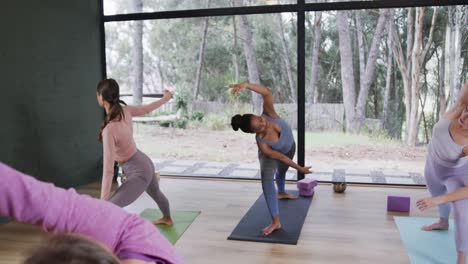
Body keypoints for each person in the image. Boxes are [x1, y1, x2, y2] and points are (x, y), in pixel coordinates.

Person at [0, 162, 181, 264]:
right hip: (138, 180)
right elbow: (30, 197)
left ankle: (166, 217)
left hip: (139, 174)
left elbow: (109, 167)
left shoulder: (111, 127)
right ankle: (166, 217)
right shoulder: (123, 231)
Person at [229, 82, 312, 235]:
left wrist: (246, 85)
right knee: (267, 179)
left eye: (259, 119)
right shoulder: (263, 144)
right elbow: (278, 156)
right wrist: (300, 168)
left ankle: (281, 192)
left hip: (289, 147)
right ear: (254, 132)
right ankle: (275, 222)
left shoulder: (269, 114)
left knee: (282, 171)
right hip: (272, 154)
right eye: (259, 127)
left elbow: (266, 93)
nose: (263, 123)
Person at [96, 78, 172, 225]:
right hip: (144, 161)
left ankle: (115, 237)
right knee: (156, 193)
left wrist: (103, 201)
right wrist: (165, 98)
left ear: (101, 97)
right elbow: (147, 109)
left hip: (139, 171)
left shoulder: (109, 130)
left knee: (109, 207)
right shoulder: (126, 110)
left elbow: (108, 170)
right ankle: (167, 218)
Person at [416, 82, 468, 264]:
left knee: (461, 211)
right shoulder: (459, 110)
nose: (465, 117)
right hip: (432, 165)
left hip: (456, 174)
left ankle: (461, 258)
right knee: (435, 190)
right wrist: (435, 197)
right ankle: (442, 222)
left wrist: (434, 201)